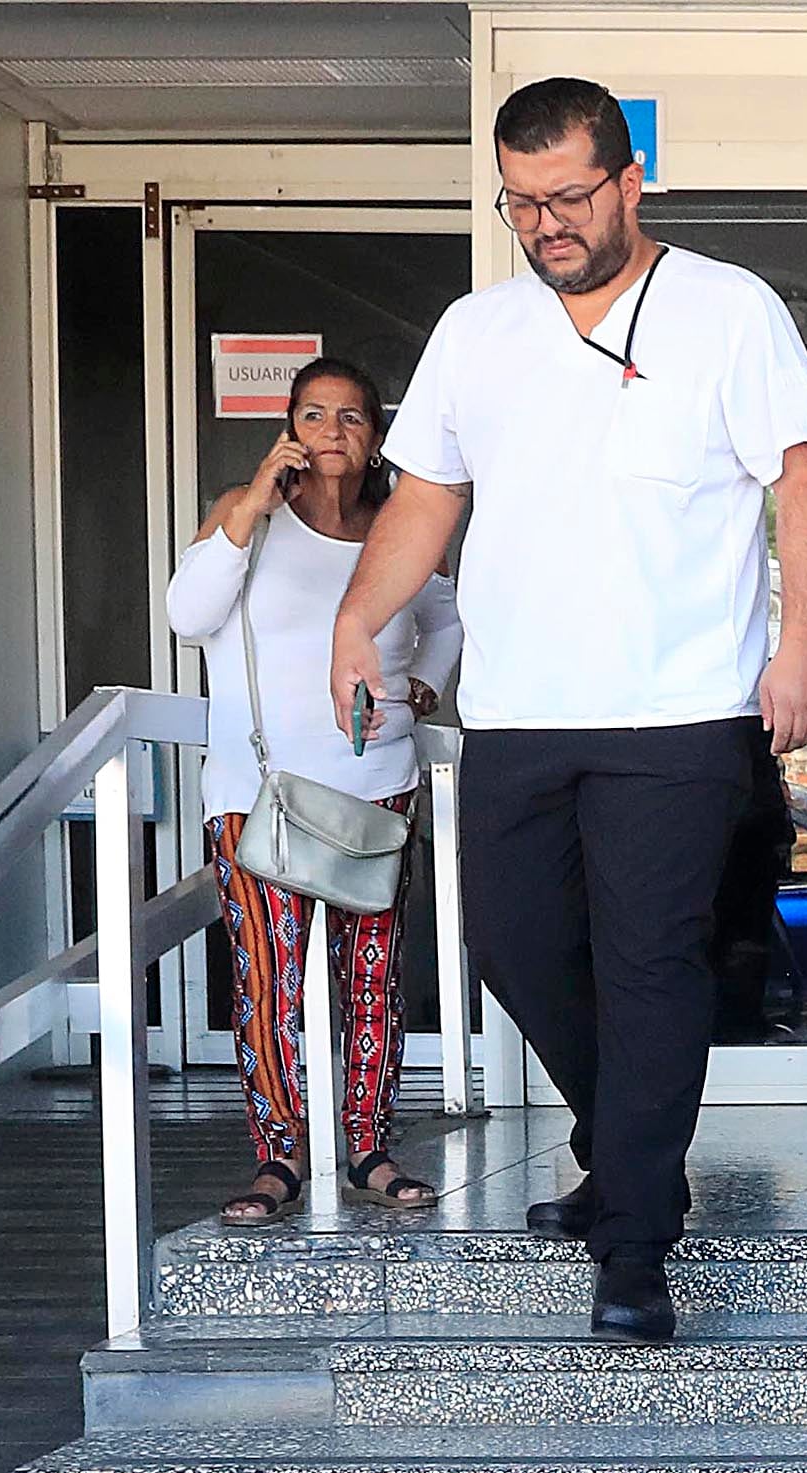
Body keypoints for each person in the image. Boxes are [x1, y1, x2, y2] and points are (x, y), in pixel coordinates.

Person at [332, 79, 807, 1344]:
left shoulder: (728, 308)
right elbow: (427, 496)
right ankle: (627, 1154)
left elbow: (800, 476)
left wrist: (800, 647)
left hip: (680, 712)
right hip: (519, 713)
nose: (545, 223)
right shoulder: (477, 330)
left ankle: (634, 1246)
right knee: (515, 949)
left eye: (566, 196)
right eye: (520, 203)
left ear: (628, 181)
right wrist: (356, 621)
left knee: (650, 967)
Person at [164, 355, 458, 1226]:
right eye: (315, 415)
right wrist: (252, 504)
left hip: (375, 785)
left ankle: (368, 1146)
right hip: (257, 791)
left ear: (376, 439)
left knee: (372, 977)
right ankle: (279, 1156)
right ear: (289, 429)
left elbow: (445, 614)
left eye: (352, 417)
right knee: (268, 980)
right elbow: (187, 617)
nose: (333, 431)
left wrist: (427, 684)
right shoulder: (246, 516)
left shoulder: (398, 532)